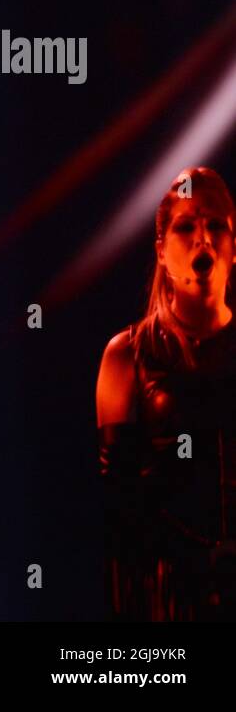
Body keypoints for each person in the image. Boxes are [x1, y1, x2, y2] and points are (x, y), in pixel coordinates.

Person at [95, 166, 236, 620]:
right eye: (186, 226)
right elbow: (117, 516)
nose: (203, 239)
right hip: (170, 603)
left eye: (216, 225)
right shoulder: (127, 356)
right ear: (160, 250)